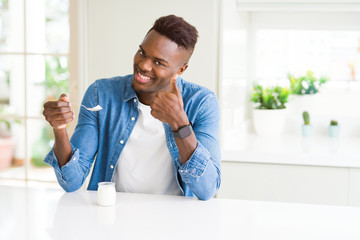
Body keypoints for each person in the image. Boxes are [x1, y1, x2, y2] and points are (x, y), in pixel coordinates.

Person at [43, 15, 221, 200]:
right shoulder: (101, 94)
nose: (143, 65)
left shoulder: (201, 103)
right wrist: (59, 129)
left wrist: (180, 125)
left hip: (173, 219)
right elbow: (71, 182)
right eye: (142, 53)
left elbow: (207, 189)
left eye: (159, 63)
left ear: (180, 69)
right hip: (111, 214)